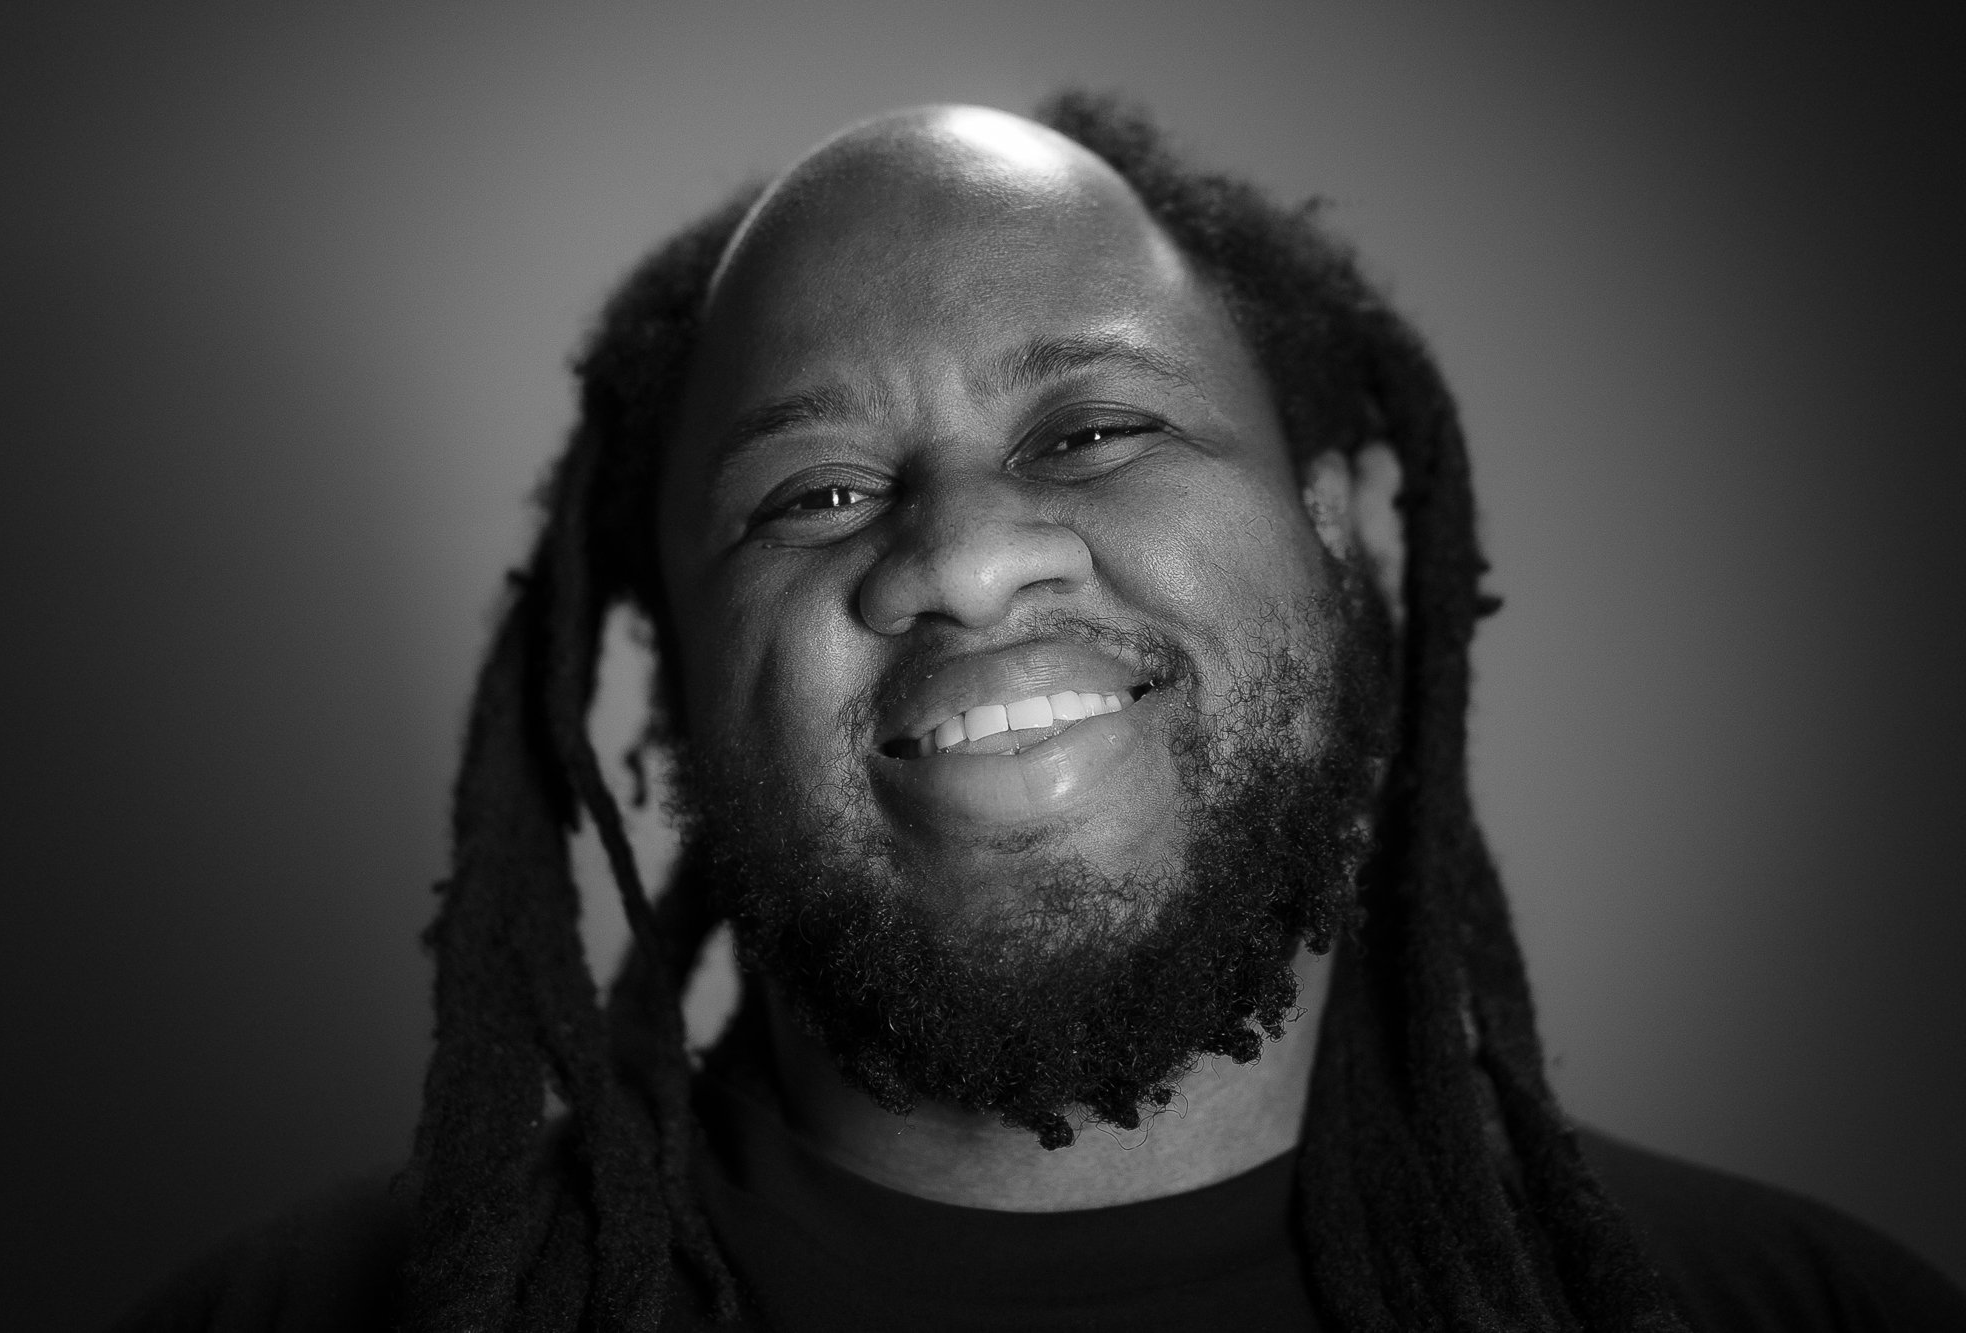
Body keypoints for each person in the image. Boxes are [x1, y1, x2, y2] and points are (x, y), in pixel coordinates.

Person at [119, 94, 1966, 1333]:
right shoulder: (294, 1319)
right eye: (815, 494)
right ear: (670, 667)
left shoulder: (1807, 1309)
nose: (966, 559)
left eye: (1092, 430)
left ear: (1334, 531)